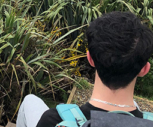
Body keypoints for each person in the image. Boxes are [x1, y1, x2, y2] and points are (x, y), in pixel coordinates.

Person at [16, 11, 153, 127]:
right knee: (134, 104)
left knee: (30, 101)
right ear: (144, 69)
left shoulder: (54, 121)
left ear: (90, 59)